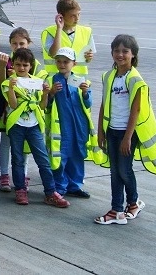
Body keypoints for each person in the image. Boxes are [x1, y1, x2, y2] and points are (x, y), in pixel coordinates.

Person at [94, 35, 156, 225]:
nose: (120, 54)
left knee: (123, 169)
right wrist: (101, 132)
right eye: (116, 51)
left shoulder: (135, 80)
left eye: (125, 51)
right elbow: (104, 104)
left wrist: (128, 137)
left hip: (127, 132)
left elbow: (136, 110)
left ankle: (127, 205)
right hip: (111, 130)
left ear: (133, 54)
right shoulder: (108, 76)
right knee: (115, 170)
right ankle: (122, 208)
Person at [1, 48, 69, 208]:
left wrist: (45, 93)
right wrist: (11, 89)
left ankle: (50, 192)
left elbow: (42, 106)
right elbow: (13, 104)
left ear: (31, 66)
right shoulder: (8, 82)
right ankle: (20, 189)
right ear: (13, 65)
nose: (21, 68)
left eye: (25, 65)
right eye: (18, 64)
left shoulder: (37, 82)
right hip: (17, 125)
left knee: (43, 160)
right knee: (17, 159)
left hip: (34, 125)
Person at [0, 28, 47, 192]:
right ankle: (4, 175)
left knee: (25, 148)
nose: (18, 46)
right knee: (6, 142)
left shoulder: (35, 66)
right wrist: (3, 69)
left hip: (30, 115)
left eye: (21, 43)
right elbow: (0, 85)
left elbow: (40, 86)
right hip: (9, 111)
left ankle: (24, 176)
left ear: (28, 43)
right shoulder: (7, 62)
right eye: (14, 44)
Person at [47, 47, 94, 199]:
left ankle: (75, 185)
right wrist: (51, 93)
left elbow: (88, 104)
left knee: (77, 155)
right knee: (60, 157)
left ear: (74, 63)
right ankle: (59, 186)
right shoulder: (51, 80)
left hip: (78, 126)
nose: (62, 64)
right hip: (61, 126)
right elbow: (45, 105)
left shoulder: (81, 82)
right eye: (59, 61)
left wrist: (85, 92)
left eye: (66, 62)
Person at [41, 0, 96, 77]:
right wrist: (59, 28)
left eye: (78, 14)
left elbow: (87, 59)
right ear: (61, 16)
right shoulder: (49, 32)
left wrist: (89, 58)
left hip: (79, 81)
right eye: (73, 16)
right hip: (56, 80)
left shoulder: (87, 32)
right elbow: (53, 53)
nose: (77, 18)